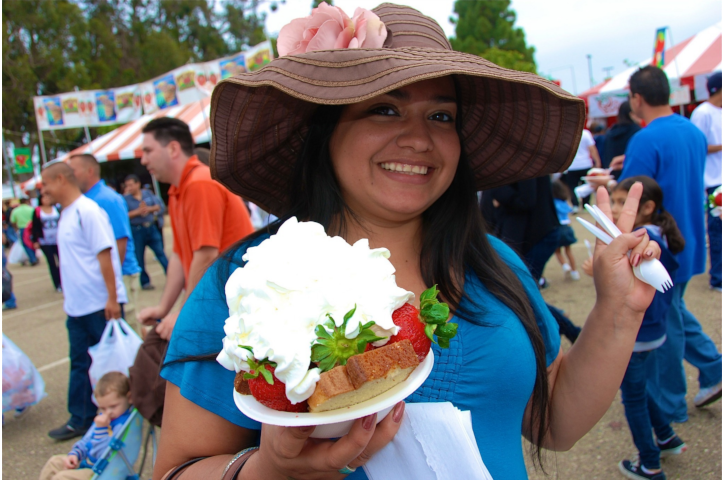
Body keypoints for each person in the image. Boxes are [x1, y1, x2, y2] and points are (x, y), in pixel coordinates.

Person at [153, 5, 664, 479]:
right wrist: (271, 470)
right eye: (384, 109)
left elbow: (554, 423)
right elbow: (176, 469)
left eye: (441, 116)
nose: (420, 139)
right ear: (324, 131)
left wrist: (617, 309)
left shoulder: (496, 265)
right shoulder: (247, 285)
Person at [617, 65, 723, 422]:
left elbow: (632, 196)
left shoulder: (646, 139)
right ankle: (714, 368)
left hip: (657, 247)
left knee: (666, 325)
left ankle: (671, 404)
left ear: (637, 97)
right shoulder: (691, 130)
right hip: (689, 238)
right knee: (675, 311)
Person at [583, 177, 687, 480]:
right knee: (639, 388)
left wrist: (598, 271)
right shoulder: (658, 233)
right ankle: (666, 436)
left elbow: (638, 279)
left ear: (649, 207)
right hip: (653, 333)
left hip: (637, 337)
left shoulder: (644, 239)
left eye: (620, 202)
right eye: (612, 202)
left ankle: (650, 463)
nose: (614, 210)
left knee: (633, 398)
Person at [136, 118, 253, 341]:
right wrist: (163, 309)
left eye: (148, 151)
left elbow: (206, 254)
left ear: (173, 148)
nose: (143, 160)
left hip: (231, 304)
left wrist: (183, 313)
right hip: (216, 297)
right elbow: (180, 256)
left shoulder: (199, 183)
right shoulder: (178, 189)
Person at [40, 161, 127, 441]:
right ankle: (81, 418)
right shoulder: (66, 213)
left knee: (111, 363)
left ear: (61, 179)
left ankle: (123, 413)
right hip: (77, 307)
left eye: (46, 184)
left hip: (99, 304)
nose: (44, 190)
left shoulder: (88, 211)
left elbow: (105, 254)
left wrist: (112, 298)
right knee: (80, 362)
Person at [68, 154, 142, 329]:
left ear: (89, 171)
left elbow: (120, 242)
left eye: (73, 171)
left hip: (121, 274)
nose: (70, 176)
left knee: (128, 330)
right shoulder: (85, 200)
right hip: (108, 278)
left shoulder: (106, 199)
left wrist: (114, 284)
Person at [39, 372, 133, 480]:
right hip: (89, 465)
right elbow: (87, 440)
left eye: (113, 406)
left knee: (62, 477)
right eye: (103, 408)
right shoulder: (104, 418)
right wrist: (75, 454)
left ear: (129, 398)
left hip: (105, 471)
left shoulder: (124, 425)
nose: (108, 412)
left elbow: (103, 455)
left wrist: (101, 429)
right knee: (54, 462)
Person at [690, 71, 722, 293]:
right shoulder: (702, 113)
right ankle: (718, 278)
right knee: (717, 231)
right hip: (713, 181)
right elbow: (697, 145)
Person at [123, 174, 168, 291]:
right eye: (127, 185)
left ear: (137, 184)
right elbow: (123, 215)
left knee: (160, 253)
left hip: (151, 227)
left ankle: (170, 276)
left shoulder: (148, 194)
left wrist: (148, 209)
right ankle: (145, 282)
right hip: (137, 230)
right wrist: (137, 212)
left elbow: (159, 206)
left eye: (131, 185)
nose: (129, 187)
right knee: (139, 257)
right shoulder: (125, 200)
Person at [31, 192, 62, 292]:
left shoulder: (56, 209)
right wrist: (36, 240)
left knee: (62, 261)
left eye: (49, 197)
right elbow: (35, 226)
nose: (47, 199)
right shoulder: (37, 211)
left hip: (58, 239)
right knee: (52, 262)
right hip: (45, 241)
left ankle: (64, 281)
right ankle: (57, 284)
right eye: (44, 197)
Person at [602, 101, 642, 176]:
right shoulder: (637, 132)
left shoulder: (611, 131)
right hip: (632, 175)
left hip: (612, 174)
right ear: (631, 114)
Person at [564, 129, 602, 210]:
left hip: (572, 166)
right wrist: (597, 162)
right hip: (585, 164)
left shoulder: (566, 134)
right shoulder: (585, 133)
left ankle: (575, 205)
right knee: (587, 185)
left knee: (572, 186)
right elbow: (592, 149)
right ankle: (586, 204)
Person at [552, 179, 580, 281]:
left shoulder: (552, 202)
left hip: (557, 228)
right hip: (567, 227)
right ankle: (575, 272)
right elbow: (570, 209)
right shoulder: (563, 201)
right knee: (568, 251)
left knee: (557, 251)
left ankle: (565, 265)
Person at [9, 198, 38, 266]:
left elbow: (13, 221)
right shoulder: (31, 209)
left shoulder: (16, 210)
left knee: (25, 244)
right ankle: (33, 257)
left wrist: (16, 228)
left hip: (22, 228)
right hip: (31, 228)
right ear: (26, 201)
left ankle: (33, 258)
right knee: (33, 242)